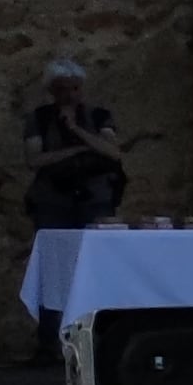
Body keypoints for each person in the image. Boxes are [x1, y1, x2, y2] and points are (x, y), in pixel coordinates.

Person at [22, 62, 124, 347]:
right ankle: (49, 342)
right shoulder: (39, 119)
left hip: (95, 199)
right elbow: (35, 160)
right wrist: (76, 151)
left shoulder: (100, 117)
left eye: (75, 88)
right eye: (63, 89)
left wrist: (77, 131)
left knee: (95, 265)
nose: (69, 95)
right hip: (53, 200)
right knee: (51, 269)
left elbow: (112, 152)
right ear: (52, 91)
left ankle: (98, 339)